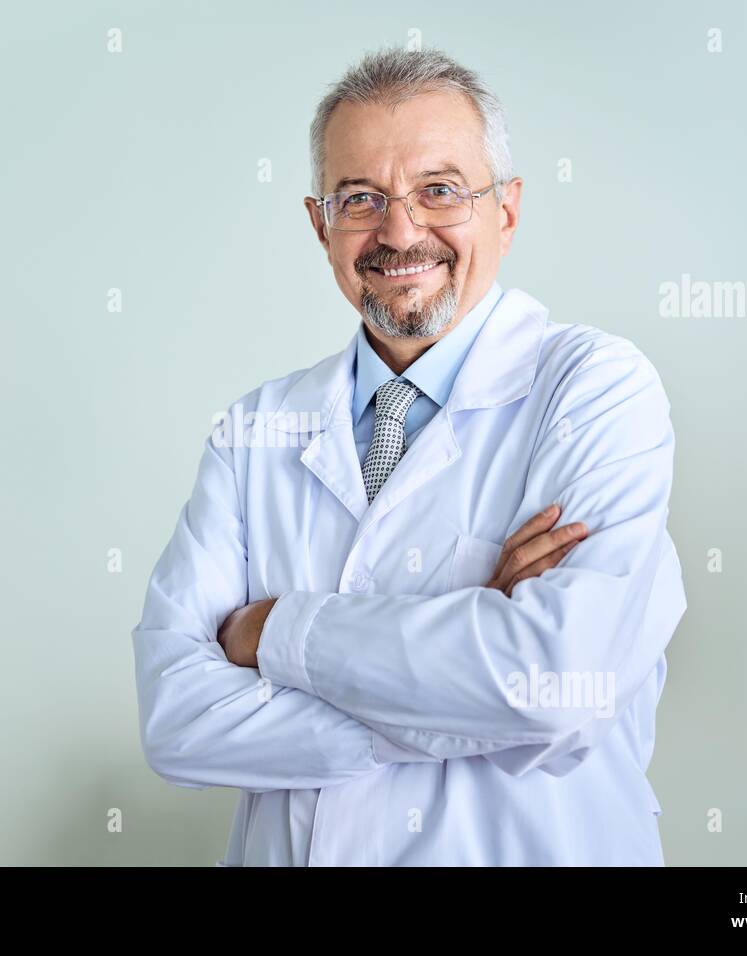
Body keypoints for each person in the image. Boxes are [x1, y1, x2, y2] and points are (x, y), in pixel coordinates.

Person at [131, 47, 686, 866]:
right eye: (361, 199)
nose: (399, 231)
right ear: (321, 224)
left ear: (506, 210)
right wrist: (463, 672)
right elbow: (176, 722)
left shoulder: (596, 390)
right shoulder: (254, 429)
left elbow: (557, 687)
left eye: (440, 190)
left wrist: (275, 631)